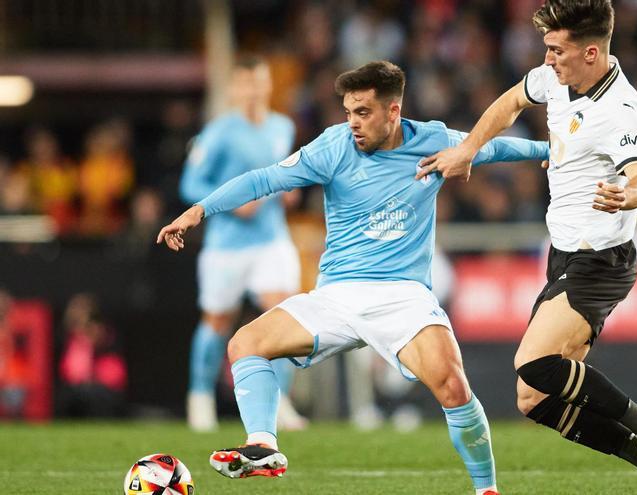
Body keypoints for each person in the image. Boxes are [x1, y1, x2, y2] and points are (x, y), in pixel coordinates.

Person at [158, 60, 549, 495]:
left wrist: (550, 151)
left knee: (454, 385)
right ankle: (263, 445)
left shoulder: (433, 141)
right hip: (337, 295)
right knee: (244, 343)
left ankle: (487, 490)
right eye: (348, 112)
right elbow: (265, 180)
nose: (353, 123)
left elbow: (492, 147)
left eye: (362, 112)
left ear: (393, 111)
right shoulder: (333, 147)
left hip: (402, 296)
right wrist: (198, 211)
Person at [418, 2, 637, 494]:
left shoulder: (621, 110)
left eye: (556, 50)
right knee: (533, 398)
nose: (546, 60)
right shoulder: (554, 79)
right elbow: (508, 104)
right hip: (563, 257)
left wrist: (626, 195)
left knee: (533, 364)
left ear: (591, 52)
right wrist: (468, 150)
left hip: (599, 261)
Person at [179, 56, 306, 432]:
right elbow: (190, 185)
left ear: (269, 86)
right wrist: (235, 206)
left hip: (272, 240)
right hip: (227, 246)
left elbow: (283, 173)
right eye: (246, 84)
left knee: (283, 319)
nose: (253, 91)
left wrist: (288, 190)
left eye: (259, 83)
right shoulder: (218, 132)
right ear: (235, 89)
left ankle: (279, 403)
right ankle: (199, 400)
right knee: (217, 323)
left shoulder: (282, 127)